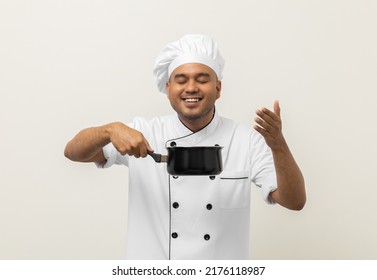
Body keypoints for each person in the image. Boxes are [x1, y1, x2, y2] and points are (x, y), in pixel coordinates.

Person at [64, 34, 306, 260]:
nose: (191, 88)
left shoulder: (245, 140)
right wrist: (109, 130)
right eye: (181, 80)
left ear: (218, 88)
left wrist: (278, 145)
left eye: (202, 79)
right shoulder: (143, 133)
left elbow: (294, 201)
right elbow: (73, 152)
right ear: (168, 88)